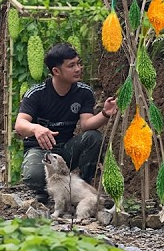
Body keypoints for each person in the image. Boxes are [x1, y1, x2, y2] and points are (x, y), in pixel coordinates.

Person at [15, 42, 117, 199]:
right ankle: (47, 191)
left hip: (66, 150)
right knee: (33, 177)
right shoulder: (37, 93)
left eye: (78, 63)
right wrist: (36, 129)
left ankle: (83, 188)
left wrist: (105, 113)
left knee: (93, 137)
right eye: (71, 65)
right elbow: (20, 124)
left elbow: (86, 124)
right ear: (56, 71)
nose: (78, 69)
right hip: (41, 151)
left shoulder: (84, 92)